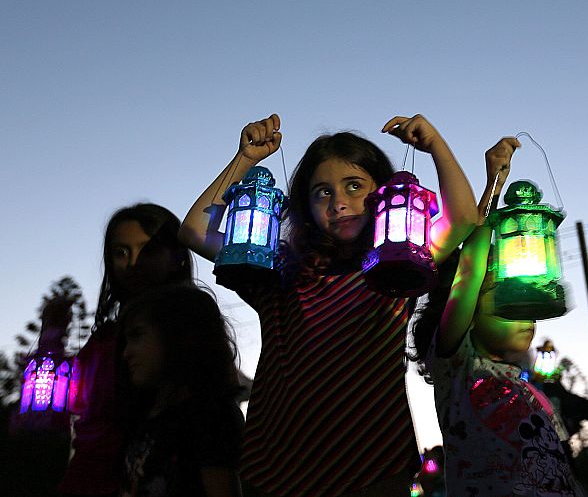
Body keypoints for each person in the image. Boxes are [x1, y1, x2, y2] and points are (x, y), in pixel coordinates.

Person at [179, 113, 476, 496]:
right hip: (276, 468)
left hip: (373, 464)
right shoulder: (280, 269)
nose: (339, 203)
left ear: (382, 194)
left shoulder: (395, 264)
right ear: (305, 205)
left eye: (354, 186)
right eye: (323, 192)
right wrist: (246, 160)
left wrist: (434, 144)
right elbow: (194, 230)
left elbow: (463, 218)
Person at [412, 137, 582, 495]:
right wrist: (494, 183)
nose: (524, 314)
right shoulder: (457, 366)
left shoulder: (531, 389)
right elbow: (470, 269)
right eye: (502, 296)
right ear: (469, 313)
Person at [61, 203, 194, 497]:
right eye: (121, 252)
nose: (133, 263)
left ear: (177, 257)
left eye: (148, 250)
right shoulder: (104, 339)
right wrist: (51, 337)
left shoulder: (190, 334)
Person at [116, 284, 244, 497]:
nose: (126, 353)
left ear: (179, 336)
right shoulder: (145, 415)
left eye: (137, 336)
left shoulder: (209, 417)